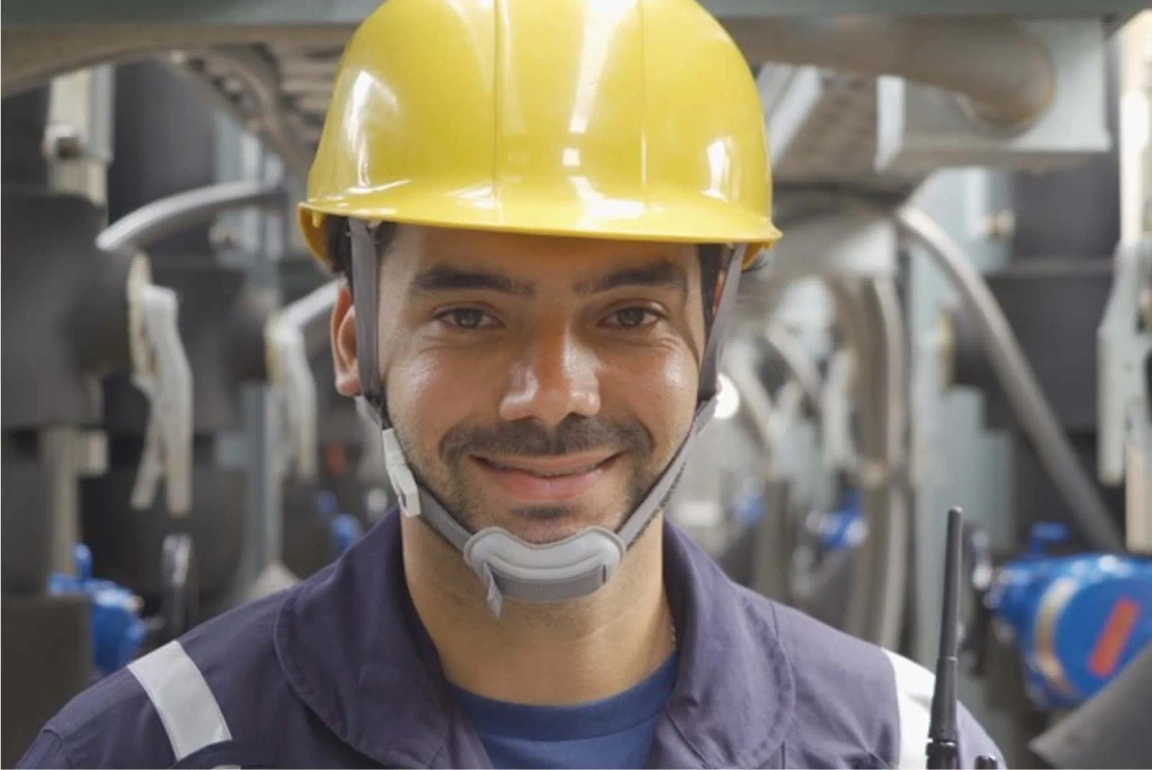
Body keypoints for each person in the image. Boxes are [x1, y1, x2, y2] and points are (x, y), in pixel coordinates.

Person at [20, 0, 1003, 767]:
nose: (553, 394)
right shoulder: (146, 747)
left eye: (629, 316)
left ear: (707, 340)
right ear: (356, 338)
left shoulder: (901, 745)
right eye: (469, 317)